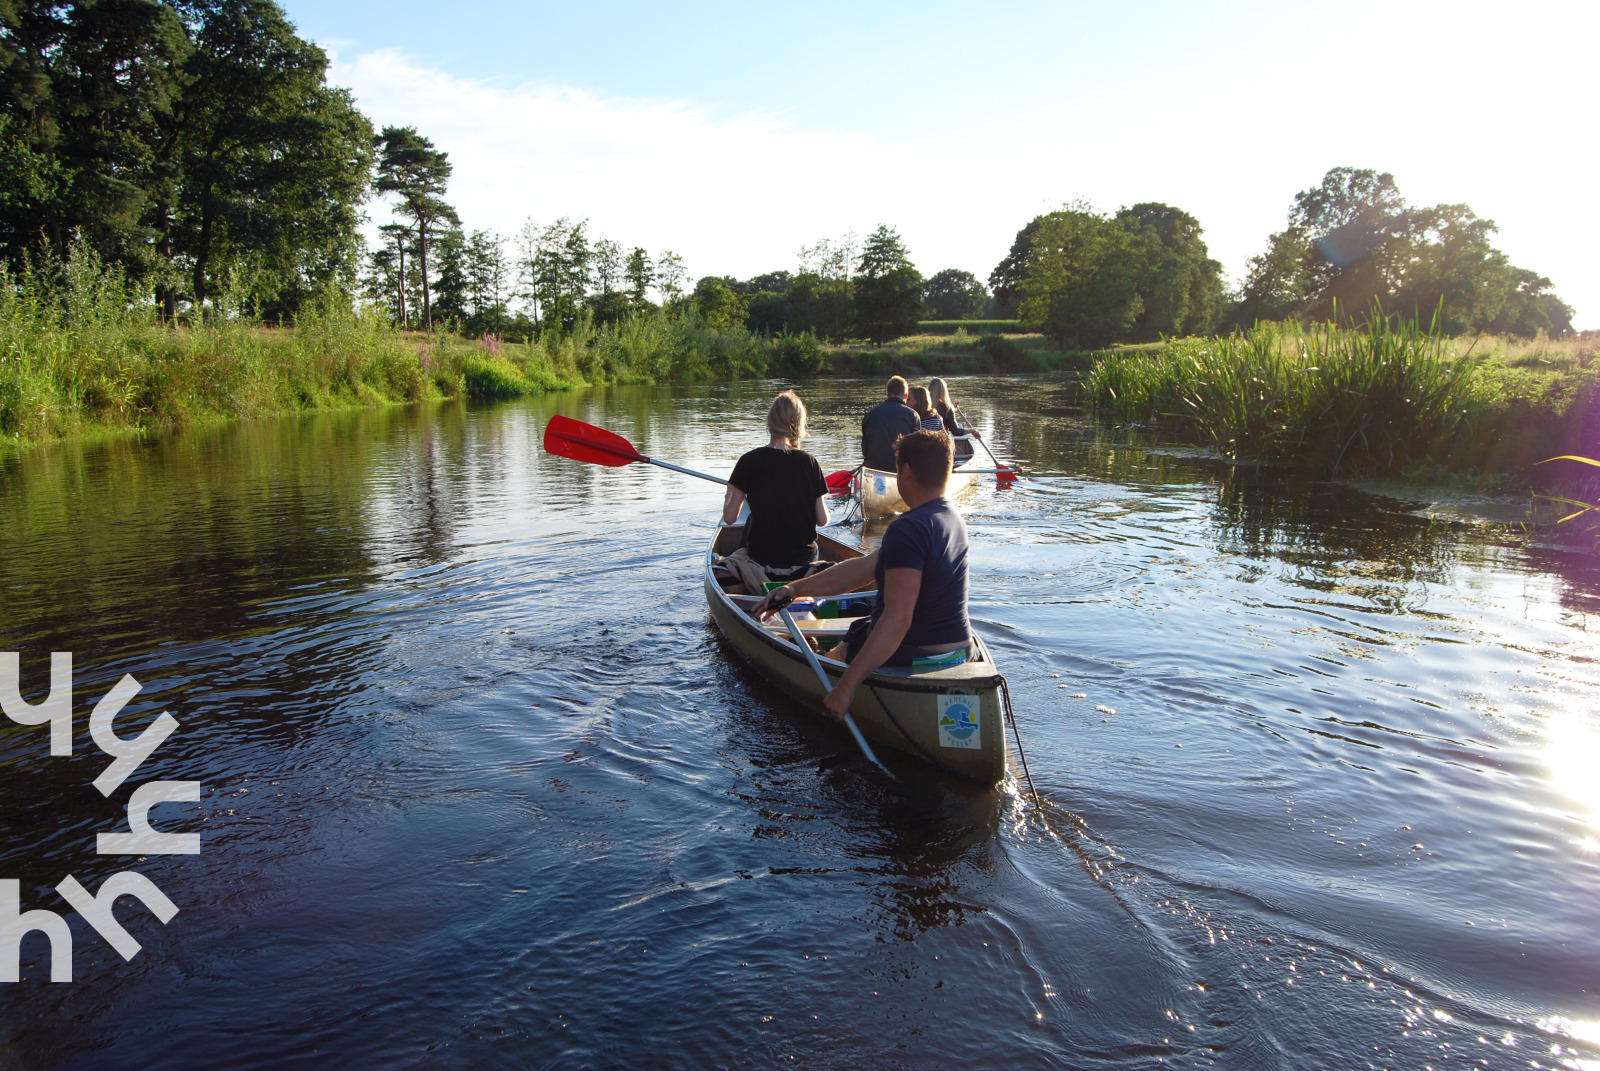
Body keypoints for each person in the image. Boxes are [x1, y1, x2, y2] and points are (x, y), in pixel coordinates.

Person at [756, 429, 971, 720]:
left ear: (905, 471)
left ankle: (830, 690)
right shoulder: (952, 518)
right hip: (960, 650)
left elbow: (897, 619)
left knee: (853, 640)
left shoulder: (908, 529)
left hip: (913, 653)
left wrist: (846, 686)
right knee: (863, 625)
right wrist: (795, 589)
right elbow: (861, 570)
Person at [719, 391, 830, 593]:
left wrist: (730, 493)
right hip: (803, 561)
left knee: (723, 560)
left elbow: (729, 518)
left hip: (761, 561)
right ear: (798, 425)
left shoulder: (749, 461)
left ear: (770, 422)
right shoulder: (810, 462)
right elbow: (823, 520)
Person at [860, 375, 919, 472]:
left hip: (873, 468)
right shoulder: (913, 415)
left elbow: (865, 447)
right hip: (899, 471)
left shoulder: (871, 413)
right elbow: (915, 450)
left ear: (887, 395)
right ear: (906, 396)